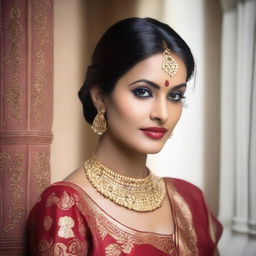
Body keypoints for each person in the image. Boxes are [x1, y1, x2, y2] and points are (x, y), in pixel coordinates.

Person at [27, 17, 222, 255]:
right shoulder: (66, 206)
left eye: (175, 96)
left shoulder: (191, 201)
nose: (162, 114)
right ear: (100, 96)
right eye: (143, 91)